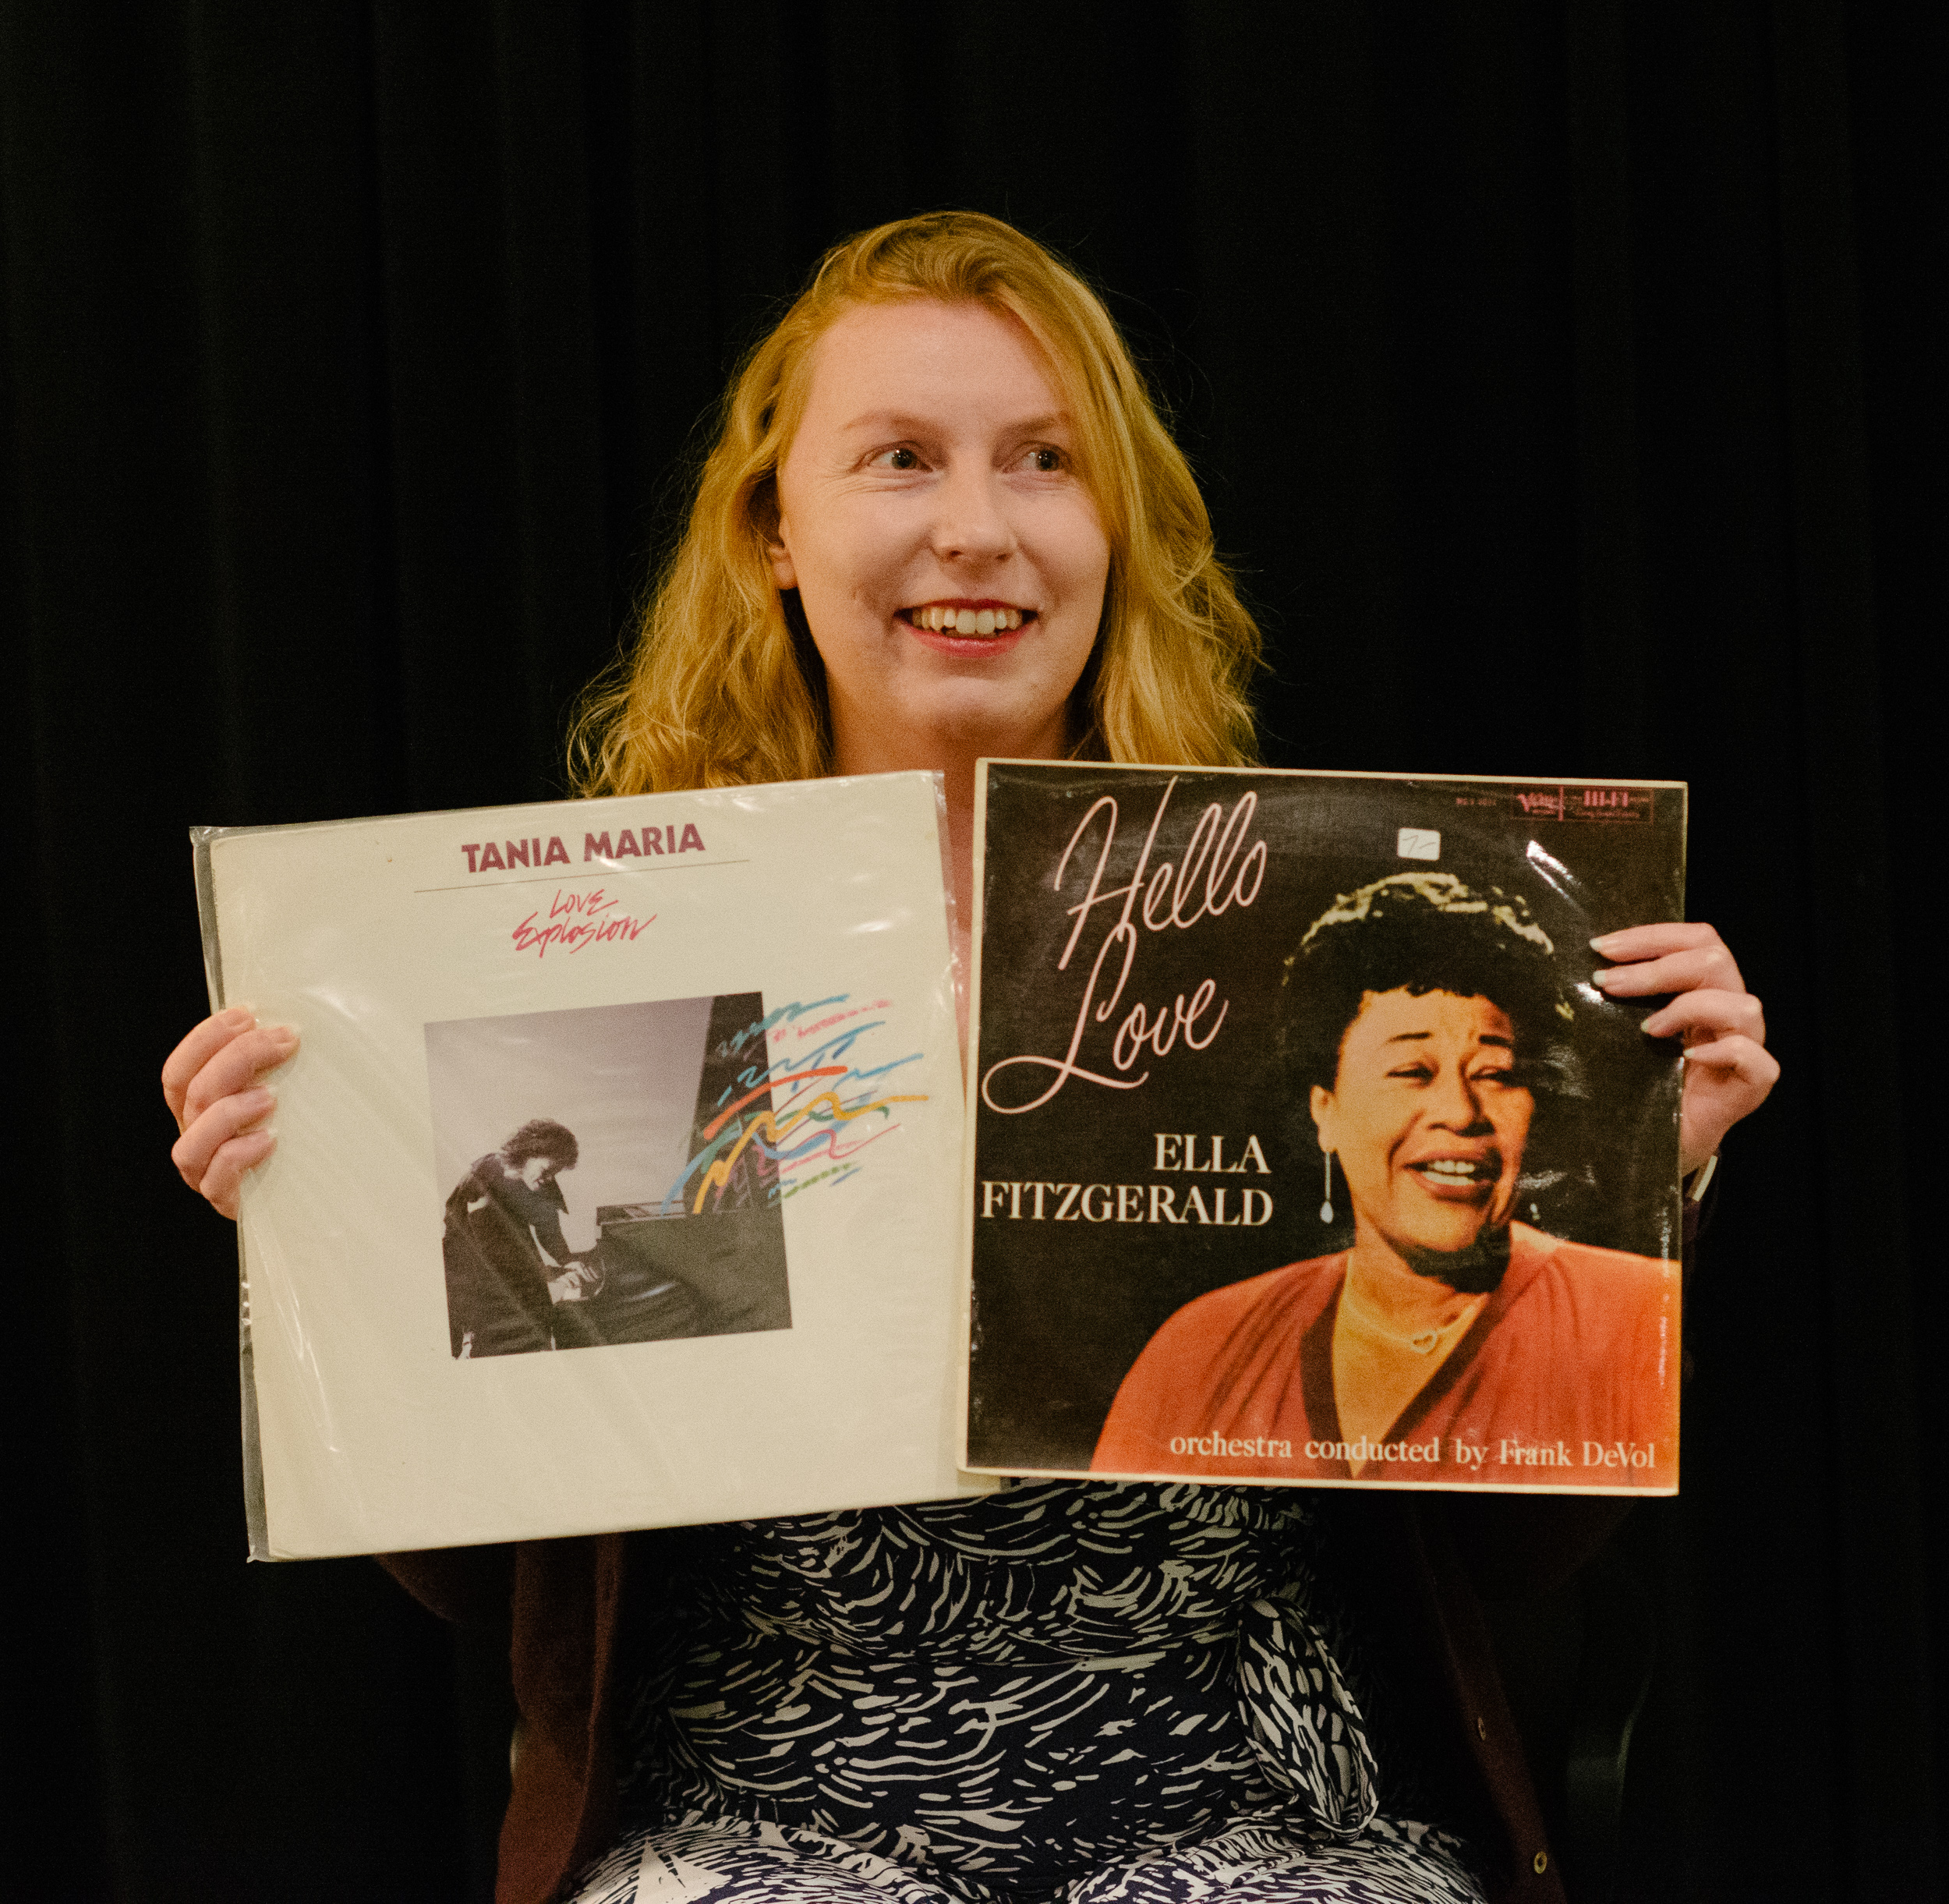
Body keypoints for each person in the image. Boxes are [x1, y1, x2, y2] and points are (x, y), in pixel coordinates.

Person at [160, 212, 1778, 1904]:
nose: (974, 529)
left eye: (1041, 462)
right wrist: (326, 1231)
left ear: (1113, 527)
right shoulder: (609, 943)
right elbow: (481, 1584)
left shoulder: (1278, 925)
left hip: (1254, 1803)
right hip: (761, 1803)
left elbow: (1510, 1544)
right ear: (772, 530)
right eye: (897, 459)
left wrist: (1636, 1185)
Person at [1093, 873, 1678, 1488]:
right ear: (1326, 1110)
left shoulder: (1640, 1320)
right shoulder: (1201, 1351)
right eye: (1410, 1070)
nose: (1460, 1111)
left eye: (1496, 1072)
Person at [443, 1119, 601, 1359]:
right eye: (547, 1171)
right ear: (529, 1153)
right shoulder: (486, 1175)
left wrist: (566, 1259)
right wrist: (551, 1273)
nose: (549, 1178)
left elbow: (548, 1227)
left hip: (508, 1249)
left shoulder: (539, 1177)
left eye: (555, 1173)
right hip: (470, 1262)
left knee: (537, 1318)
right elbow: (490, 1250)